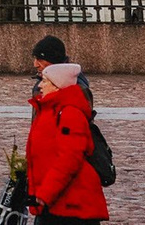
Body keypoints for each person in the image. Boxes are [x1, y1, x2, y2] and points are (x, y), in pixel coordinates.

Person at [23, 35, 108, 221]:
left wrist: (44, 195)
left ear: (57, 85)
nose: (40, 86)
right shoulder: (48, 103)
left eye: (45, 82)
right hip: (53, 198)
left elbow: (70, 157)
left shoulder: (70, 110)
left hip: (69, 204)